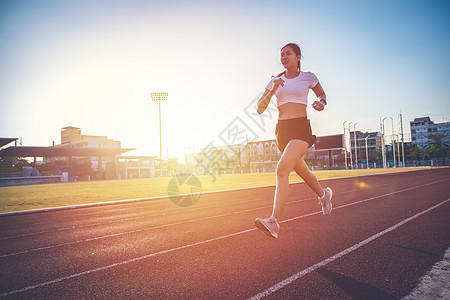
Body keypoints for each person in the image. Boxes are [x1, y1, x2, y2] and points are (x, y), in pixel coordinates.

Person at [255, 43, 333, 239]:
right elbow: (260, 109)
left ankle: (273, 222)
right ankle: (324, 196)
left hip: (300, 128)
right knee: (303, 171)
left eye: (288, 53)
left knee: (282, 170)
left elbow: (322, 94)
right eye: (281, 55)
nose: (284, 57)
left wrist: (321, 103)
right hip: (282, 131)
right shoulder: (275, 81)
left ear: (298, 57)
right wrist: (272, 90)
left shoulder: (308, 77)